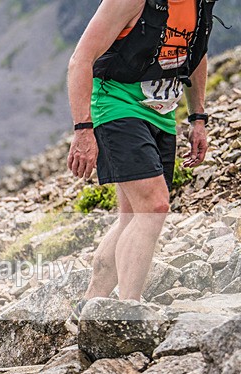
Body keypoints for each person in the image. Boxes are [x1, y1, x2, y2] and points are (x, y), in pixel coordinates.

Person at [67, 0, 214, 310]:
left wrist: (198, 118)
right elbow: (81, 58)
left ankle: (91, 304)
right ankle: (128, 312)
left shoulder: (199, 3)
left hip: (162, 113)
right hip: (117, 105)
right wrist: (83, 129)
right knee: (154, 206)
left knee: (132, 216)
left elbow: (194, 52)